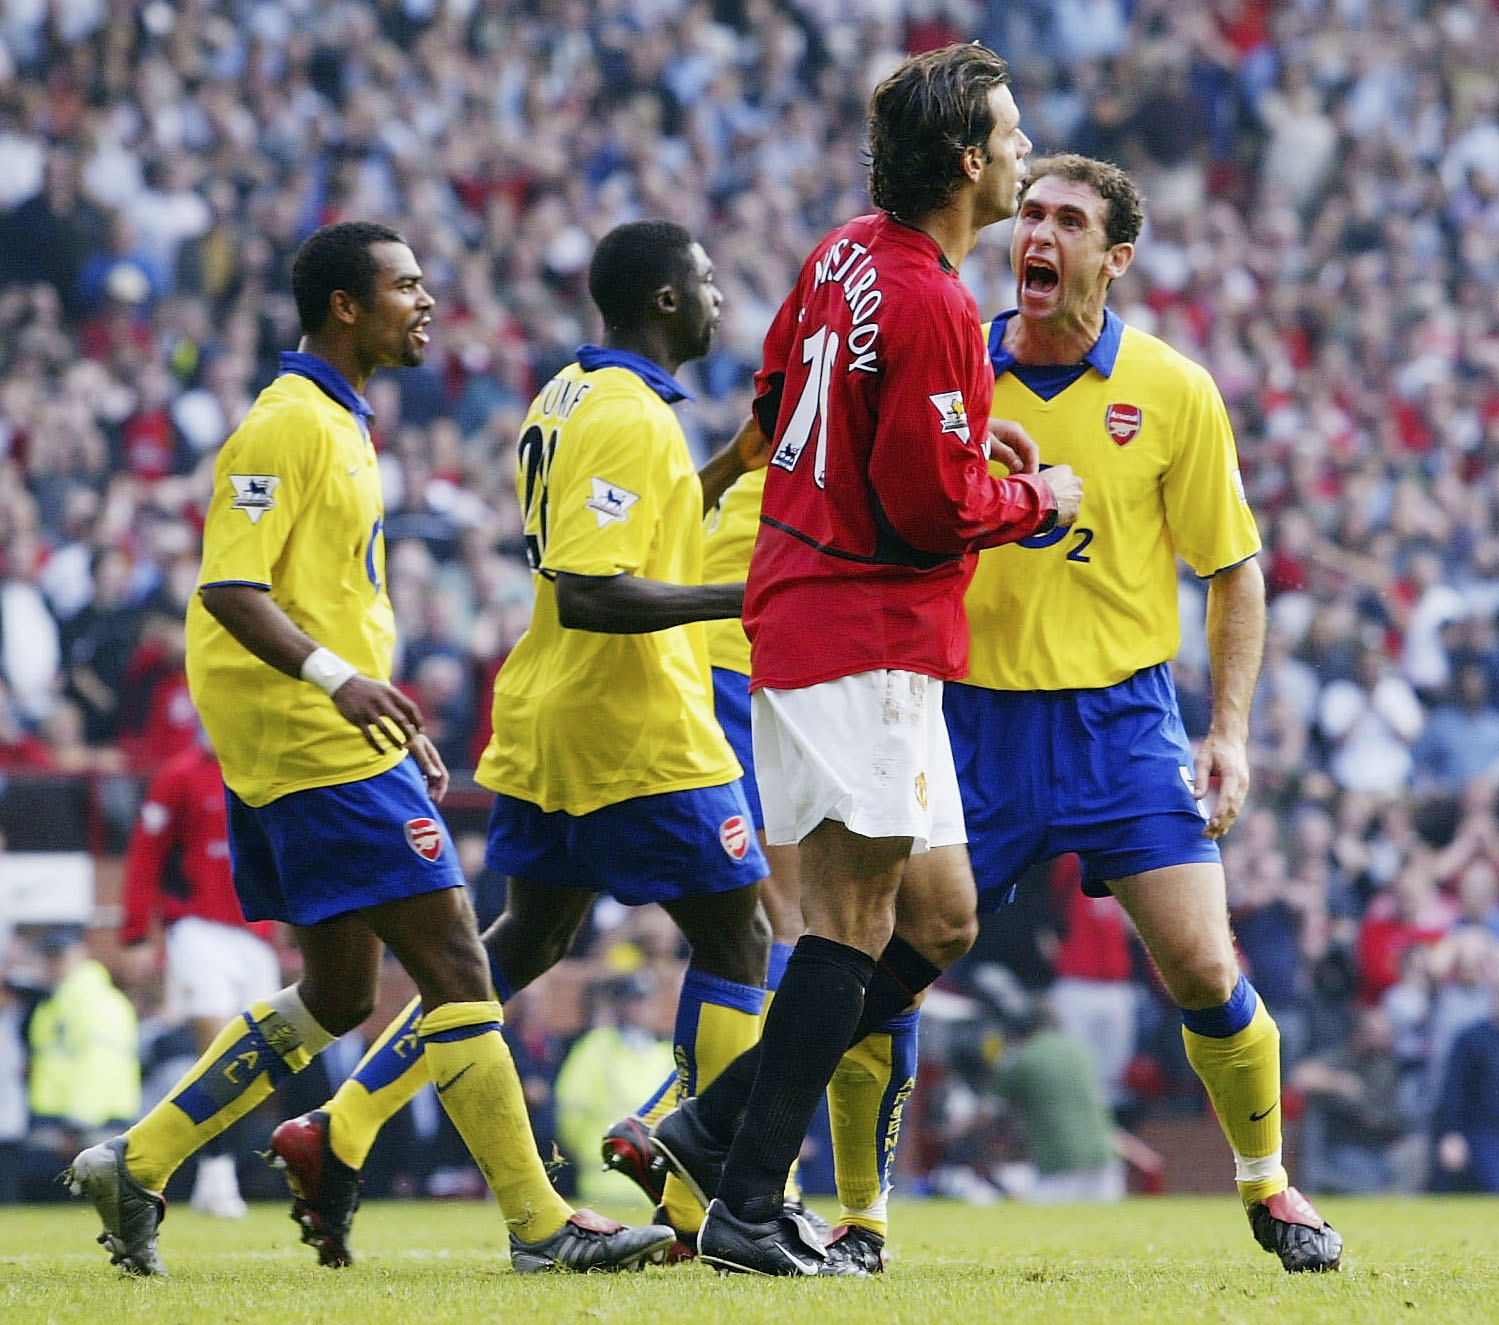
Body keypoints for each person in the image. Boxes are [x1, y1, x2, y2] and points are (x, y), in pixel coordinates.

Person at [66, 220, 673, 1277]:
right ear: (344, 305)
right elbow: (228, 588)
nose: (425, 301)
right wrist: (336, 682)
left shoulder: (342, 420)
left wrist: (379, 710)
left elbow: (318, 593)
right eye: (404, 285)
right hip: (308, 739)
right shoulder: (283, 424)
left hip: (335, 737)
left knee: (342, 994)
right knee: (455, 961)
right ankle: (537, 1222)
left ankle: (140, 1158)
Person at [263, 220, 773, 1262]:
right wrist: (751, 593)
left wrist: (731, 462)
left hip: (543, 714)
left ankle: (342, 1124)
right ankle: (707, 1199)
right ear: (667, 301)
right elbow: (592, 588)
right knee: (741, 938)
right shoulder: (630, 416)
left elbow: (634, 531)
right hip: (630, 724)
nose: (722, 297)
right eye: (708, 281)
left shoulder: (565, 393)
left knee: (523, 943)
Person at [667, 43, 1079, 1277]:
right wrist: (1031, 493)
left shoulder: (844, 251)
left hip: (808, 608)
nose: (1019, 151)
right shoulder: (938, 301)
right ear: (965, 162)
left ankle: (707, 1126)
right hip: (864, 632)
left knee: (939, 914)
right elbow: (924, 506)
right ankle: (745, 1207)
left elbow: (784, 381)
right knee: (846, 925)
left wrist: (956, 444)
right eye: (1008, 136)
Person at [946, 153, 1339, 1270]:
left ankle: (1267, 1187)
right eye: (1029, 212)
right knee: (887, 958)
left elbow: (1234, 568)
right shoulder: (953, 371)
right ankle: (858, 1215)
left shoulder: (1170, 388)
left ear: (1113, 258)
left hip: (1120, 722)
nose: (1038, 231)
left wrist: (1227, 731)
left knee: (1204, 968)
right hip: (971, 714)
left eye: (1067, 220)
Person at [117, 724, 282, 1217]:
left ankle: (217, 1167)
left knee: (256, 1069)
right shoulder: (180, 774)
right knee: (218, 1052)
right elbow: (146, 853)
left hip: (258, 935)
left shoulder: (267, 769)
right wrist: (133, 932)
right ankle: (214, 1172)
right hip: (198, 930)